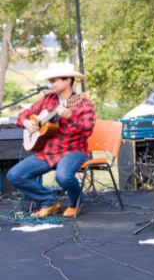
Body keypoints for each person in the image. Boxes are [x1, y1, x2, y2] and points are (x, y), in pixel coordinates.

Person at [9, 63, 96, 218]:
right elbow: (25, 113)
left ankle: (76, 202)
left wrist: (70, 117)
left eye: (54, 80)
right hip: (48, 152)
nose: (50, 84)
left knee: (63, 176)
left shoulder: (83, 103)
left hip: (74, 150)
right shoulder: (47, 99)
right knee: (14, 175)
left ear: (68, 80)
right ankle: (49, 201)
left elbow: (87, 130)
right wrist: (26, 123)